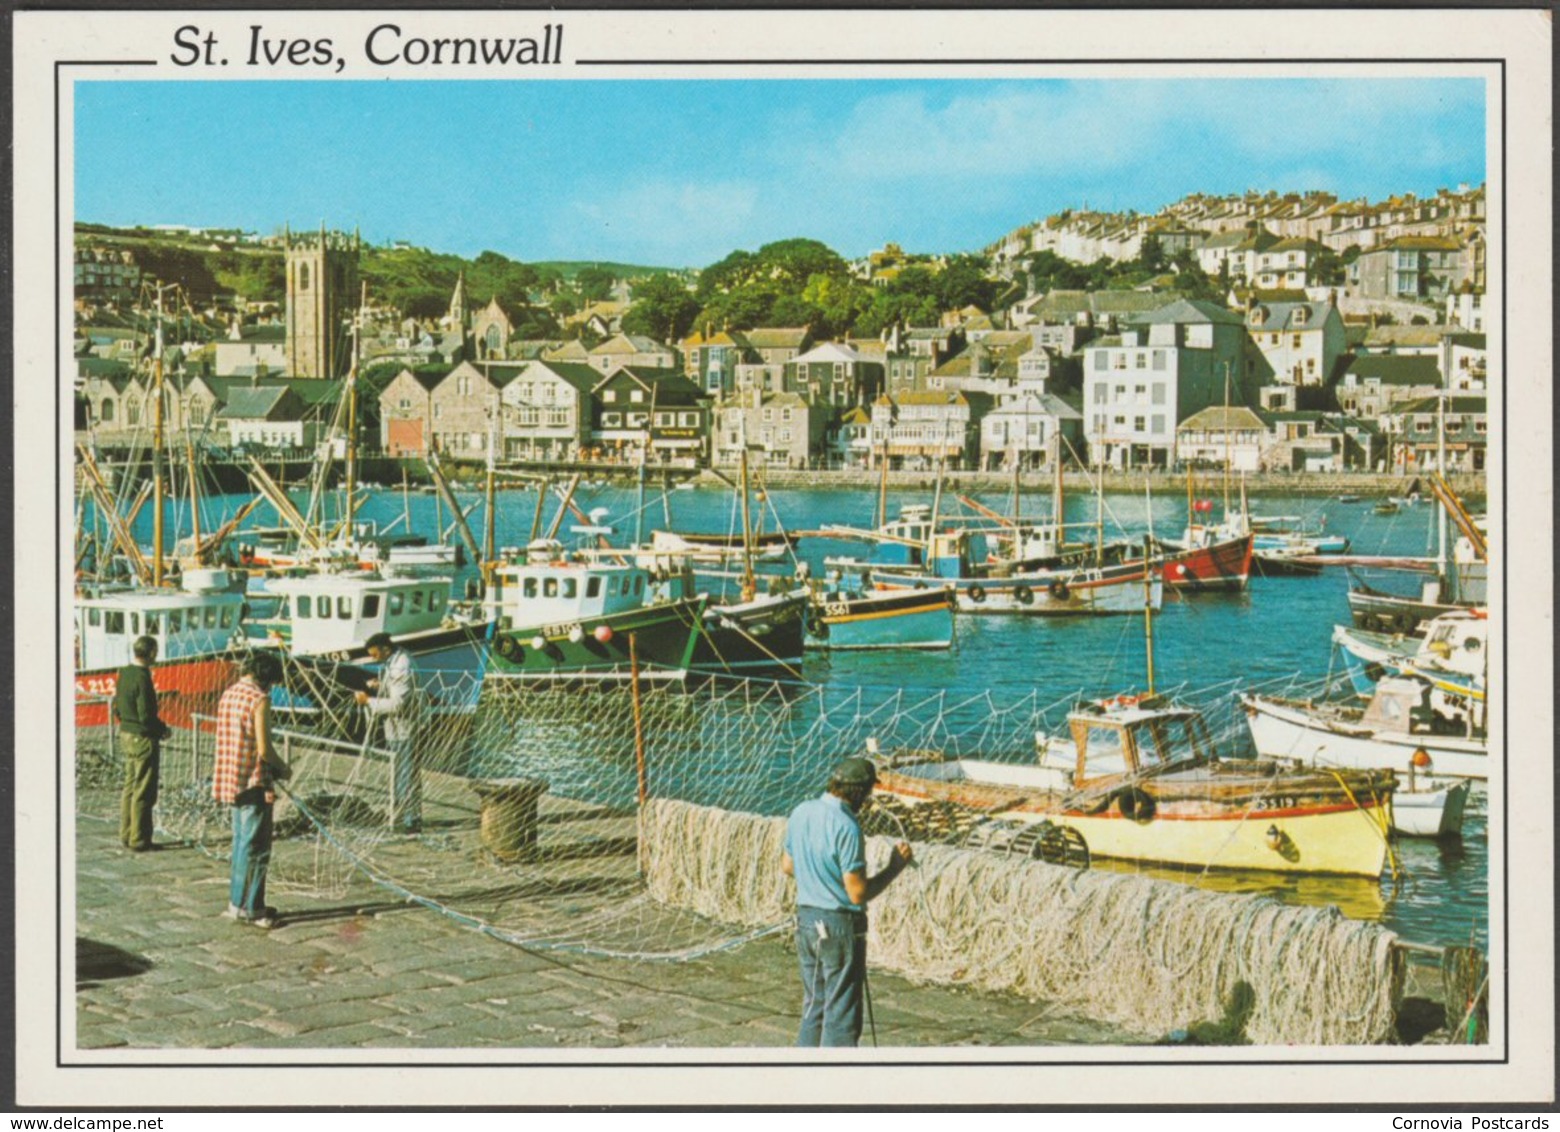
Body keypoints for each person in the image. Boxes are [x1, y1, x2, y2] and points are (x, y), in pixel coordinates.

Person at [781, 756, 913, 1047]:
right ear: (860, 792)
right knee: (841, 1015)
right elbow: (857, 893)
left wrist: (818, 879)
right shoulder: (847, 827)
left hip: (805, 921)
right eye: (868, 793)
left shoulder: (801, 811)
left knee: (813, 1007)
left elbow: (788, 866)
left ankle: (804, 1079)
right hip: (839, 927)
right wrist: (894, 867)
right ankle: (838, 1083)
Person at [213, 653, 289, 929]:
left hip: (231, 779)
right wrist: (283, 767)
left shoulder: (229, 693)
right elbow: (264, 748)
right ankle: (253, 908)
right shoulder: (259, 699)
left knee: (240, 844)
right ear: (266, 676)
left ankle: (237, 903)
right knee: (256, 847)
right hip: (253, 780)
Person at [354, 632, 424, 834]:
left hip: (405, 727)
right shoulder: (393, 659)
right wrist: (379, 684)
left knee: (407, 774)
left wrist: (367, 701)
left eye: (375, 655)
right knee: (399, 772)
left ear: (385, 649)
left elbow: (398, 704)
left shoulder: (403, 665)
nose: (374, 659)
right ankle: (403, 814)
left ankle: (411, 819)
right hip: (394, 728)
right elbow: (395, 687)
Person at [112, 635, 169, 852]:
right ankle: (139, 838)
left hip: (126, 733)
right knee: (144, 789)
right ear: (152, 652)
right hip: (142, 737)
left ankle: (126, 833)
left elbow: (117, 706)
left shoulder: (124, 672)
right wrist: (162, 729)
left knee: (129, 786)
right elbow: (146, 715)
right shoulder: (143, 677)